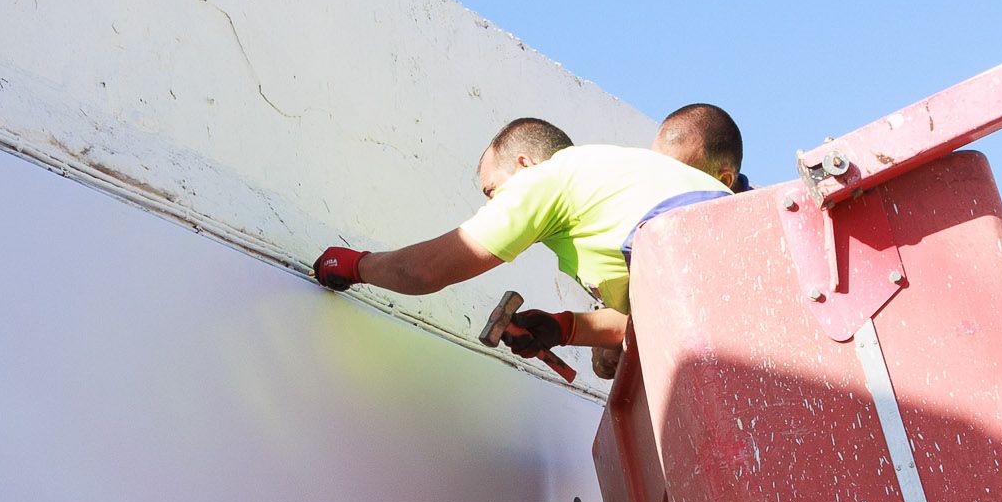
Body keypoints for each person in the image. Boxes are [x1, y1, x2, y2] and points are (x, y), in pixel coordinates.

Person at [309, 107, 743, 377]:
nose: (495, 205)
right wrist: (564, 327)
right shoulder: (618, 182)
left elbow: (424, 270)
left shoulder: (548, 178)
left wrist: (353, 265)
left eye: (492, 190)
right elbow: (673, 309)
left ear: (524, 163)